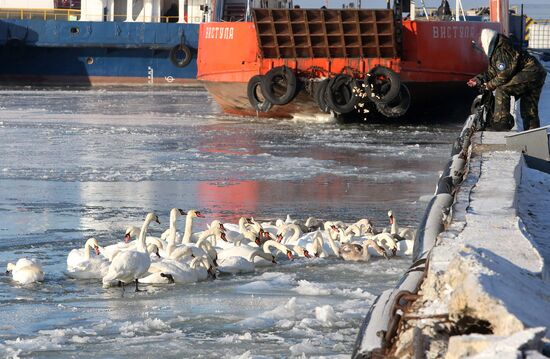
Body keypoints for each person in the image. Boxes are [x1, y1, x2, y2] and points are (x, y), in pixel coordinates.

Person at [468, 28, 547, 131]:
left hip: (530, 72)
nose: (482, 47)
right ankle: (533, 133)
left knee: (502, 89)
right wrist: (478, 79)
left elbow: (503, 75)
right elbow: (493, 73)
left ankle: (502, 122)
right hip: (536, 73)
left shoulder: (502, 49)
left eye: (482, 44)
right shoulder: (497, 49)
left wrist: (489, 85)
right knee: (529, 109)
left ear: (487, 41)